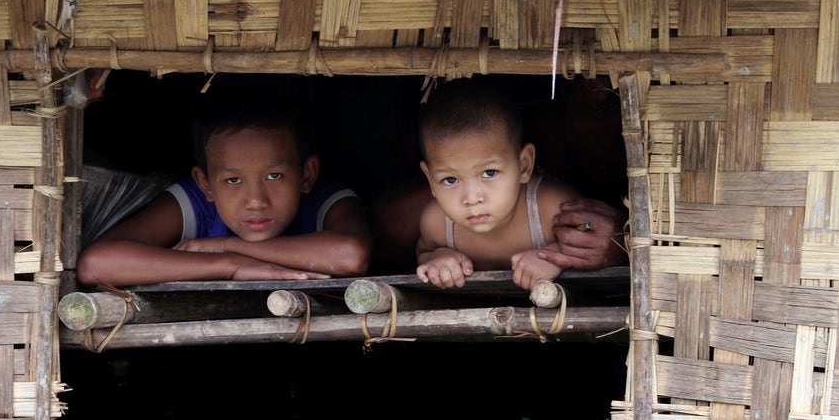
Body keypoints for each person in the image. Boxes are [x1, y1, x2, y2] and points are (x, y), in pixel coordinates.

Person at [76, 90, 372, 287]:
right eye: (233, 180)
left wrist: (230, 244)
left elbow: (351, 256)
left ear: (307, 175)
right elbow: (96, 264)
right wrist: (230, 265)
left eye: (274, 176)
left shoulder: (325, 198)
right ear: (205, 183)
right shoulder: (195, 203)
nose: (256, 201)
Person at [409, 80, 623, 290]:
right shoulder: (436, 223)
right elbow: (424, 253)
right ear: (429, 178)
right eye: (450, 180)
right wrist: (439, 258)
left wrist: (555, 255)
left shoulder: (551, 207)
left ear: (524, 166)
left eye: (489, 173)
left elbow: (587, 228)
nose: (472, 198)